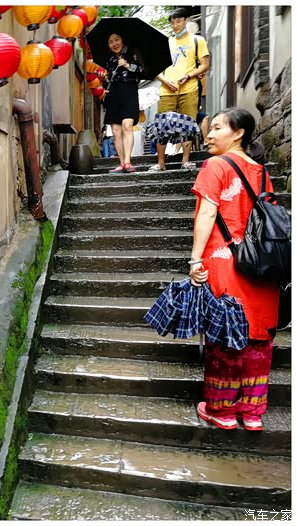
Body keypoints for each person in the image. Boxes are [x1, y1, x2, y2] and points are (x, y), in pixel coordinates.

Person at [188, 108, 279, 432]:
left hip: (226, 261)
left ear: (238, 133)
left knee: (225, 335)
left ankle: (222, 410)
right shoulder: (262, 172)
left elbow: (207, 214)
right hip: (263, 267)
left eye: (216, 128)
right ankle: (252, 412)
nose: (209, 135)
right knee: (258, 337)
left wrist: (195, 259)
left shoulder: (216, 165)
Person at [150, 8, 209, 171]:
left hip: (189, 88)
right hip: (167, 89)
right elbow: (155, 68)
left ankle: (185, 160)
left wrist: (189, 76)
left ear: (186, 21)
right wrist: (165, 81)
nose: (175, 25)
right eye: (172, 22)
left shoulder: (197, 40)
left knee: (187, 125)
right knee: (162, 126)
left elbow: (205, 65)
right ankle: (160, 163)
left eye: (178, 21)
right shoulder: (166, 43)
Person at [100, 32, 145, 173]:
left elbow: (142, 71)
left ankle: (127, 162)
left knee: (127, 126)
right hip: (113, 93)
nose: (114, 44)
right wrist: (103, 78)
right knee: (116, 130)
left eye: (117, 39)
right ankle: (121, 163)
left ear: (122, 40)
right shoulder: (107, 57)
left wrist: (127, 65)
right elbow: (106, 78)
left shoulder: (133, 52)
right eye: (110, 41)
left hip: (129, 90)